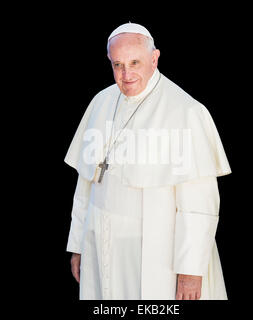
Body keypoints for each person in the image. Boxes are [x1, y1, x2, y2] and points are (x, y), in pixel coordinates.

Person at [65, 22, 231, 300]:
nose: (126, 74)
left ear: (154, 59)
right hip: (102, 246)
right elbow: (85, 186)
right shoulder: (100, 103)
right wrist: (79, 244)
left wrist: (191, 271)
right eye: (117, 64)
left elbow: (199, 204)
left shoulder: (185, 111)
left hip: (159, 257)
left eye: (134, 62)